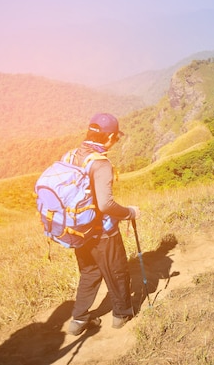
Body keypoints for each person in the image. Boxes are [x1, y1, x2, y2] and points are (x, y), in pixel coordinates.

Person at [68, 113, 141, 336]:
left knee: (89, 273)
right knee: (117, 270)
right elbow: (106, 204)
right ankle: (121, 314)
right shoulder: (100, 163)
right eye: (116, 138)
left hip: (78, 230)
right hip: (102, 232)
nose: (116, 142)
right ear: (109, 136)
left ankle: (78, 320)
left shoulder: (71, 155)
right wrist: (129, 212)